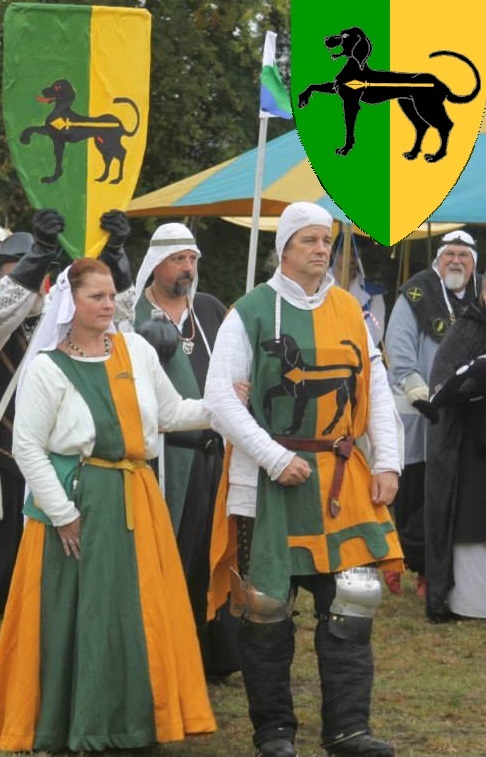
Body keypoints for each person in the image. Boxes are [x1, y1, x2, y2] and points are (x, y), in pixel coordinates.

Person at [204, 202, 403, 757]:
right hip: (266, 481)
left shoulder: (350, 310)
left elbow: (377, 389)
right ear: (284, 248)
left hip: (341, 478)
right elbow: (220, 400)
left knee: (352, 601)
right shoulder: (249, 311)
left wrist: (386, 462)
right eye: (311, 240)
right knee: (266, 607)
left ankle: (348, 729)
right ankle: (274, 733)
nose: (322, 250)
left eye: (327, 241)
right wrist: (271, 456)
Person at [0, 257, 216, 753]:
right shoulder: (47, 370)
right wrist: (63, 515)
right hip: (79, 505)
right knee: (84, 616)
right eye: (94, 296)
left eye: (110, 294)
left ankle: (135, 721)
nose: (106, 304)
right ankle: (77, 724)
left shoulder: (136, 350)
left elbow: (170, 412)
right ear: (68, 303)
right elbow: (29, 448)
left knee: (137, 614)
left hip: (137, 500)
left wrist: (221, 406)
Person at [0, 209, 134, 617]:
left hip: (71, 467)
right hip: (6, 462)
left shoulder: (65, 321)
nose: (30, 278)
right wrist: (38, 252)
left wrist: (115, 257)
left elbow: (123, 321)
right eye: (16, 268)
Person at [134, 222, 240, 679]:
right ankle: (165, 658)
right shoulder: (133, 316)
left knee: (209, 553)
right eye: (180, 259)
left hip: (213, 454)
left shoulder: (212, 310)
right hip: (163, 456)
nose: (188, 269)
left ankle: (209, 658)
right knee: (168, 555)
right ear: (155, 263)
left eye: (193, 260)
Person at [384, 230, 481, 597]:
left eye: (465, 256)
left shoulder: (481, 295)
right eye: (450, 254)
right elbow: (400, 348)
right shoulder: (416, 294)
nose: (456, 261)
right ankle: (410, 562)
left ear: (474, 264)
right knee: (420, 495)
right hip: (423, 412)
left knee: (459, 493)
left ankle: (443, 569)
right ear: (438, 261)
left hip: (470, 417)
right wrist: (420, 390)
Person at [421, 274, 486, 621]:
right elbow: (442, 385)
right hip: (472, 446)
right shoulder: (466, 330)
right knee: (473, 516)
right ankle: (470, 601)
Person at [331, 238, 387, 347]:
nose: (351, 258)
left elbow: (375, 333)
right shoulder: (317, 285)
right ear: (334, 254)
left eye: (355, 253)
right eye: (345, 252)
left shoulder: (372, 293)